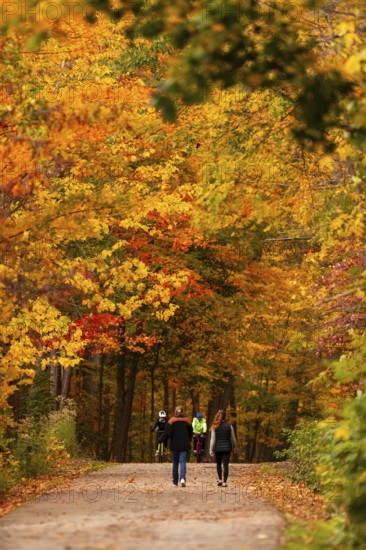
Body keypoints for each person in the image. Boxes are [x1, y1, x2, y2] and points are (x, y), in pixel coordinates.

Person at [158, 405, 193, 487]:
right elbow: (190, 433)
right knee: (183, 461)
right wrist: (189, 441)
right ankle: (182, 478)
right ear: (183, 411)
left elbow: (167, 433)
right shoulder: (187, 421)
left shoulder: (171, 421)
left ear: (175, 412)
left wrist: (160, 440)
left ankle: (175, 482)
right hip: (184, 444)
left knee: (175, 462)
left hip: (174, 445)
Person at [209, 409, 238, 487]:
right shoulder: (229, 426)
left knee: (218, 464)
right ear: (225, 417)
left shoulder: (214, 427)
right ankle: (225, 482)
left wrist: (211, 450)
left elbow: (213, 439)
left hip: (218, 448)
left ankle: (220, 479)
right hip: (227, 448)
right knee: (226, 465)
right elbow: (233, 438)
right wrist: (235, 447)